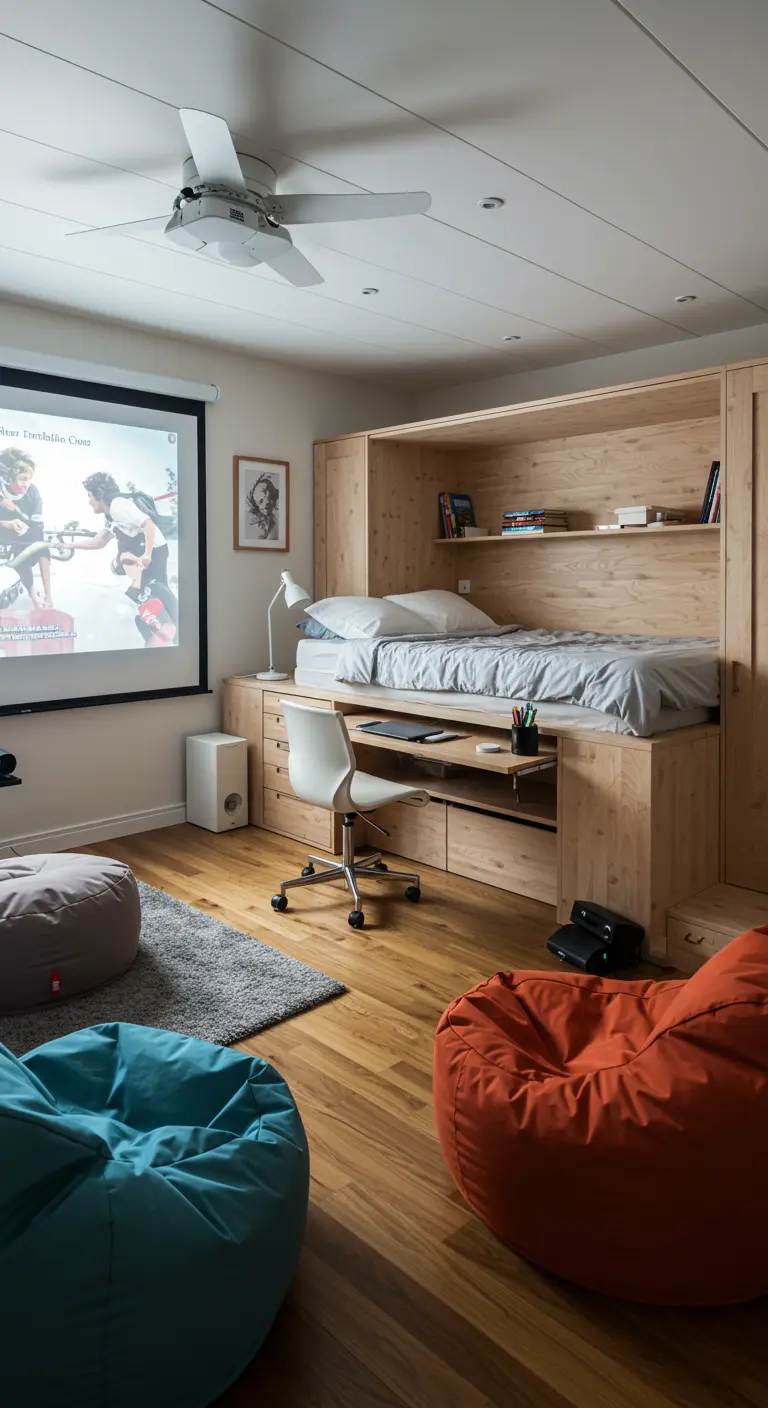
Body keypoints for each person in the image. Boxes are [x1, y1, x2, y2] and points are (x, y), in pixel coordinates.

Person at [66, 472, 169, 591]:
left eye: (90, 495)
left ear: (99, 494)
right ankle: (151, 595)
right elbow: (98, 542)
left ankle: (148, 594)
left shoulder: (118, 505)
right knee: (118, 566)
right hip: (148, 549)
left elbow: (148, 524)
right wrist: (67, 545)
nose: (89, 501)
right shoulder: (111, 514)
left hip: (153, 550)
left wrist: (147, 554)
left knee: (154, 589)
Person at [0, 447, 53, 609]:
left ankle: (33, 592)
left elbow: (38, 537)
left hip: (24, 540)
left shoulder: (33, 493)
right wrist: (5, 523)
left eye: (29, 479)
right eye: (22, 479)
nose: (26, 485)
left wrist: (48, 595)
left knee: (35, 549)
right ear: (8, 478)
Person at [121, 552, 178, 647]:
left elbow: (169, 628)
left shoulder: (154, 589)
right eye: (123, 564)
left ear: (141, 565)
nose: (127, 568)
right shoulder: (130, 595)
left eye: (129, 562)